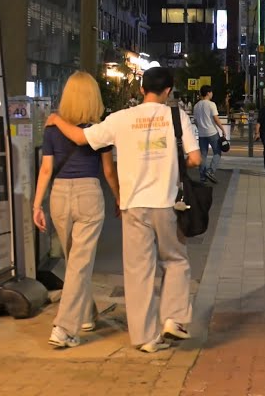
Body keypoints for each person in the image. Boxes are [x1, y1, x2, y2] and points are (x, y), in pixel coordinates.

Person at [47, 67, 202, 354]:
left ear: (142, 90)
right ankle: (174, 318)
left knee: (138, 271)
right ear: (168, 91)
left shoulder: (119, 119)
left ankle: (145, 338)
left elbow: (82, 139)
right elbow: (195, 158)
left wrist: (56, 120)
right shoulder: (176, 117)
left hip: (133, 205)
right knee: (176, 260)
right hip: (168, 202)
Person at [32, 72, 120, 349]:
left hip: (58, 196)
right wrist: (119, 198)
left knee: (75, 262)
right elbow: (108, 170)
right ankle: (63, 328)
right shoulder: (99, 129)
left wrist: (37, 204)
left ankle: (86, 314)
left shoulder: (52, 128)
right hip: (88, 195)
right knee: (79, 265)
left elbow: (46, 168)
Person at [193, 85, 224, 184]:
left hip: (202, 134)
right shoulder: (211, 104)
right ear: (208, 93)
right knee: (217, 152)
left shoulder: (196, 106)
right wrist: (222, 129)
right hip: (212, 132)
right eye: (211, 92)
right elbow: (216, 119)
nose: (212, 94)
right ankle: (210, 171)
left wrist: (200, 129)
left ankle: (202, 177)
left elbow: (196, 121)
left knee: (203, 155)